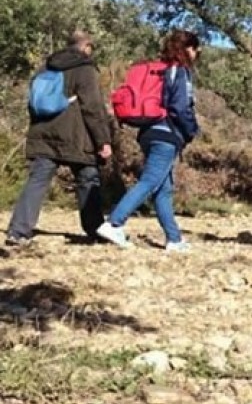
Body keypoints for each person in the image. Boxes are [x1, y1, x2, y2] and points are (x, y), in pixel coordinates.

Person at [7, 31, 113, 247]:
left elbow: (34, 102)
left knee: (37, 180)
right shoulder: (85, 69)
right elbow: (92, 107)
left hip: (43, 132)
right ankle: (94, 230)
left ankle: (18, 230)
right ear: (86, 47)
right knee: (88, 178)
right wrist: (103, 140)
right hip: (76, 135)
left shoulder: (45, 67)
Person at [98, 30, 201, 252]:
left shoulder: (157, 71)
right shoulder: (179, 72)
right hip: (167, 135)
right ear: (186, 49)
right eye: (194, 48)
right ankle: (114, 223)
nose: (197, 53)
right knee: (149, 182)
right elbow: (181, 108)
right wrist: (192, 130)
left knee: (162, 190)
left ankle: (174, 239)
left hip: (148, 132)